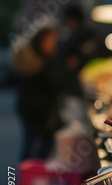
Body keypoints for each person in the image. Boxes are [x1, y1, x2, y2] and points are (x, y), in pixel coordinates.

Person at [13, 25, 66, 161]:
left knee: (32, 144)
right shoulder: (38, 60)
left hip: (31, 108)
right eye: (51, 40)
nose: (53, 44)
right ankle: (27, 175)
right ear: (42, 40)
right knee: (32, 144)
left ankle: (30, 173)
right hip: (34, 110)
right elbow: (54, 82)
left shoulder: (36, 57)